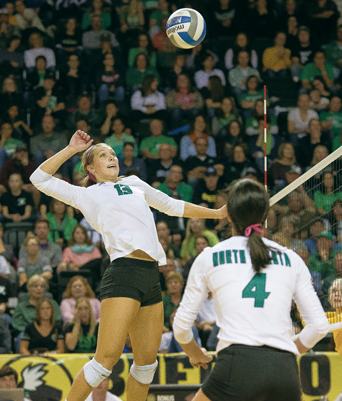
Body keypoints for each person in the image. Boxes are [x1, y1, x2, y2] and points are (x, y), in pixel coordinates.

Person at [30, 130, 225, 401]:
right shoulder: (86, 194)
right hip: (123, 272)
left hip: (150, 275)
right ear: (90, 168)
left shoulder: (134, 182)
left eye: (113, 154)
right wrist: (71, 149)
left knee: (147, 366)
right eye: (103, 155)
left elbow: (172, 205)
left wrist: (215, 214)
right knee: (104, 363)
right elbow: (38, 178)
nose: (112, 157)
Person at [173, 179, 329, 401]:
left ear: (228, 214)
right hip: (285, 372)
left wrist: (194, 353)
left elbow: (180, 327)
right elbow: (319, 327)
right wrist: (282, 351)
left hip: (236, 365)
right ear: (265, 216)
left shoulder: (209, 257)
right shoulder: (292, 258)